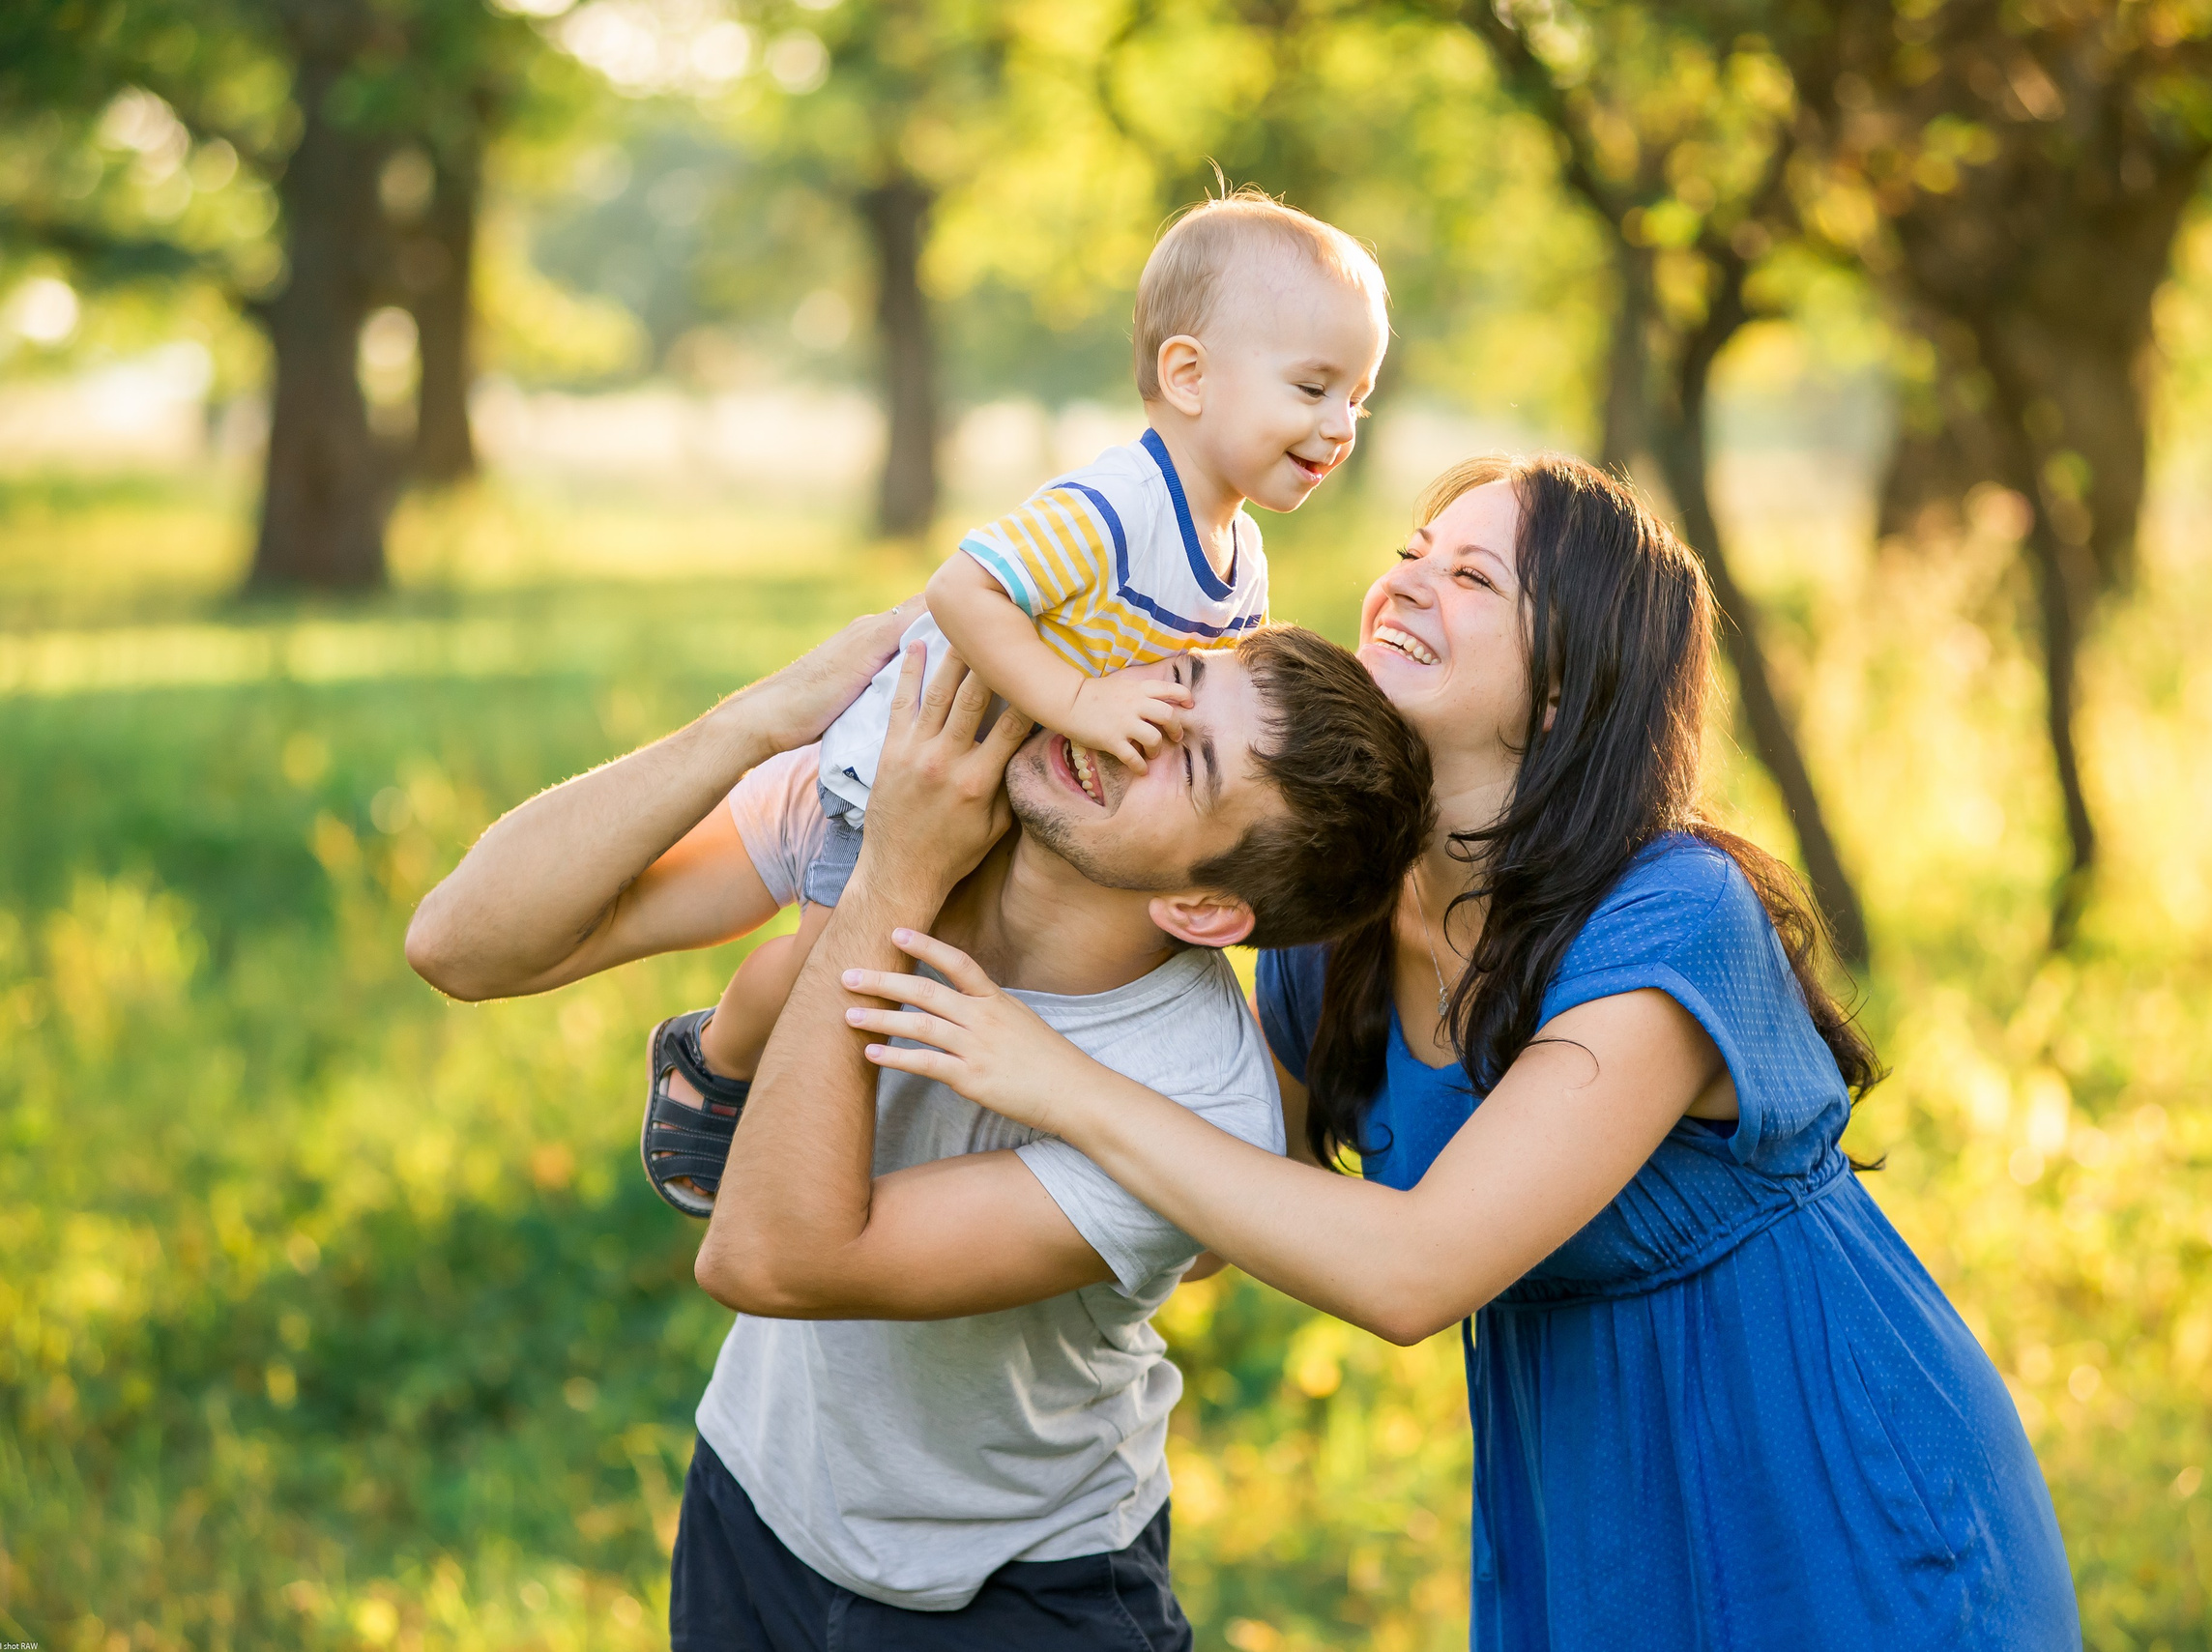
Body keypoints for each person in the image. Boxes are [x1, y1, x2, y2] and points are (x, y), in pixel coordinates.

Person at [826, 455, 2084, 1649]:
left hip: (1824, 1470)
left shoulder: (1672, 915)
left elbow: (1412, 1271)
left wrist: (1060, 1083)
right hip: (1581, 1483)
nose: (1407, 582)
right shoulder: (1337, 931)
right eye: (1412, 551)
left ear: (1566, 687)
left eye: (1474, 576)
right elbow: (1215, 1205)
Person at [404, 614, 1432, 1648]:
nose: (1139, 727)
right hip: (754, 1501)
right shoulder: (915, 791)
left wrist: (895, 878)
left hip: (1013, 1589)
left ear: (1204, 908)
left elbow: (769, 1258)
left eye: (1192, 761)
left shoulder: (1192, 1094)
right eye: (1173, 679)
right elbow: (458, 944)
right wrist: (754, 721)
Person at [647, 189, 1392, 1196]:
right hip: (910, 760)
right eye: (1312, 387)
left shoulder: (1239, 555)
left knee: (908, 970)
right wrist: (1080, 702)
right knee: (838, 966)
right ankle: (716, 1060)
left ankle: (847, 1137)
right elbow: (963, 590)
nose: (1340, 425)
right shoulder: (1114, 507)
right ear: (1188, 375)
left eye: (1358, 399)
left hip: (1010, 779)